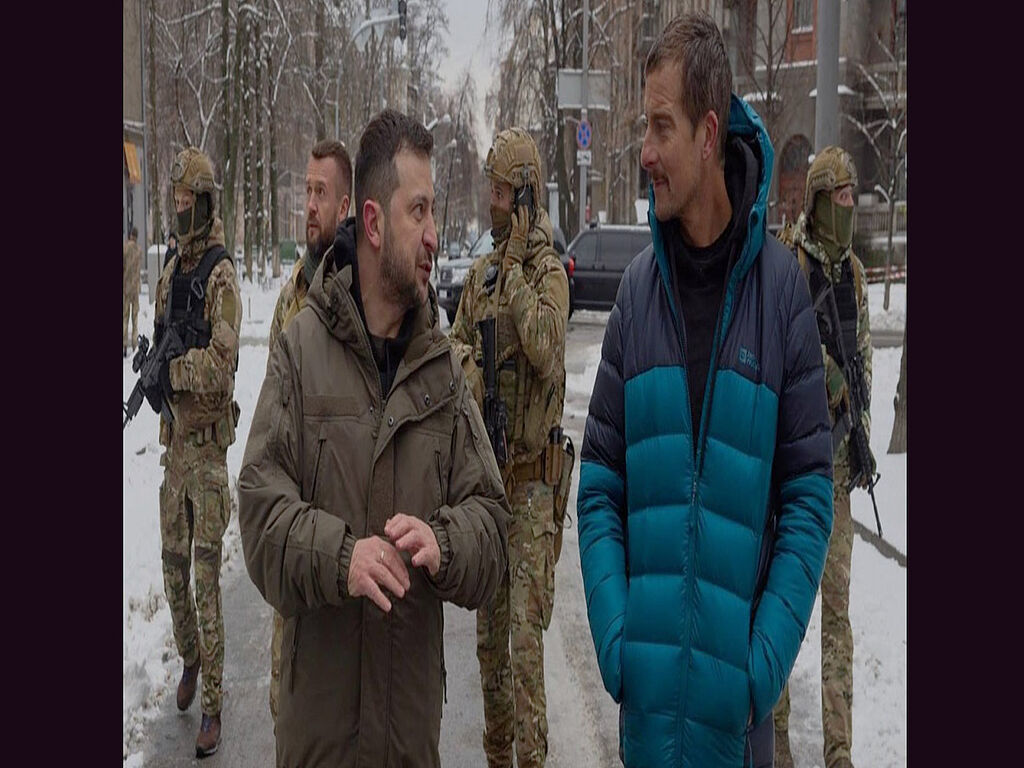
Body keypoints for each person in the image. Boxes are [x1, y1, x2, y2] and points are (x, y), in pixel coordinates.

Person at [576, 12, 834, 768]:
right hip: (646, 727)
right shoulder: (634, 296)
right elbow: (598, 485)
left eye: (661, 128)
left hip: (735, 733)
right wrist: (621, 643)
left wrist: (756, 672)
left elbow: (809, 496)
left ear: (708, 133)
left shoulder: (782, 294)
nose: (646, 153)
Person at [238, 109, 511, 767]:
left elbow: (494, 528)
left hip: (405, 743)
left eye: (434, 213)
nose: (433, 235)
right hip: (318, 743)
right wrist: (342, 557)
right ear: (374, 221)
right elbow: (259, 513)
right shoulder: (301, 350)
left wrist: (446, 543)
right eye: (418, 211)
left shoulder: (443, 370)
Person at [449, 127, 570, 768]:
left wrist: (520, 269)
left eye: (501, 192)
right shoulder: (481, 276)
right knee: (489, 647)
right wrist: (472, 372)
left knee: (526, 652)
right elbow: (452, 349)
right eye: (490, 190)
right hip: (488, 488)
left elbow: (547, 347)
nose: (491, 202)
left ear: (523, 198)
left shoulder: (547, 273)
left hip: (532, 491)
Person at [772, 146, 872, 768]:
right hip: (790, 474)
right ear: (817, 199)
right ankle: (776, 742)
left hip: (835, 474)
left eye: (854, 199)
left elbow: (860, 357)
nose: (850, 209)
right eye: (842, 198)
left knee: (838, 618)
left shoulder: (855, 275)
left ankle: (839, 751)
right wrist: (821, 376)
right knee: (784, 606)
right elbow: (775, 357)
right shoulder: (788, 263)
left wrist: (860, 433)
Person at [153, 147, 241, 758]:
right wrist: (153, 368)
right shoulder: (168, 268)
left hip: (208, 456)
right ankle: (189, 658)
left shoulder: (221, 275)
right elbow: (163, 334)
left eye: (187, 202)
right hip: (173, 454)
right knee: (172, 572)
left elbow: (223, 361)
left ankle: (213, 700)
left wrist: (176, 372)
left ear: (204, 203)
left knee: (206, 579)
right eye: (175, 201)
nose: (179, 210)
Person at [265, 138, 352, 727]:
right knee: (291, 705)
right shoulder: (292, 295)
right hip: (296, 527)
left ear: (347, 206)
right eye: (307, 190)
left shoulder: (364, 296)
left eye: (322, 192)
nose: (310, 204)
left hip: (347, 525)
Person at [123, 226, 141, 356]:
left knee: (125, 316)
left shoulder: (125, 248)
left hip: (125, 287)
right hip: (135, 288)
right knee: (135, 317)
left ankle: (124, 343)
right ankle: (135, 342)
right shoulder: (139, 250)